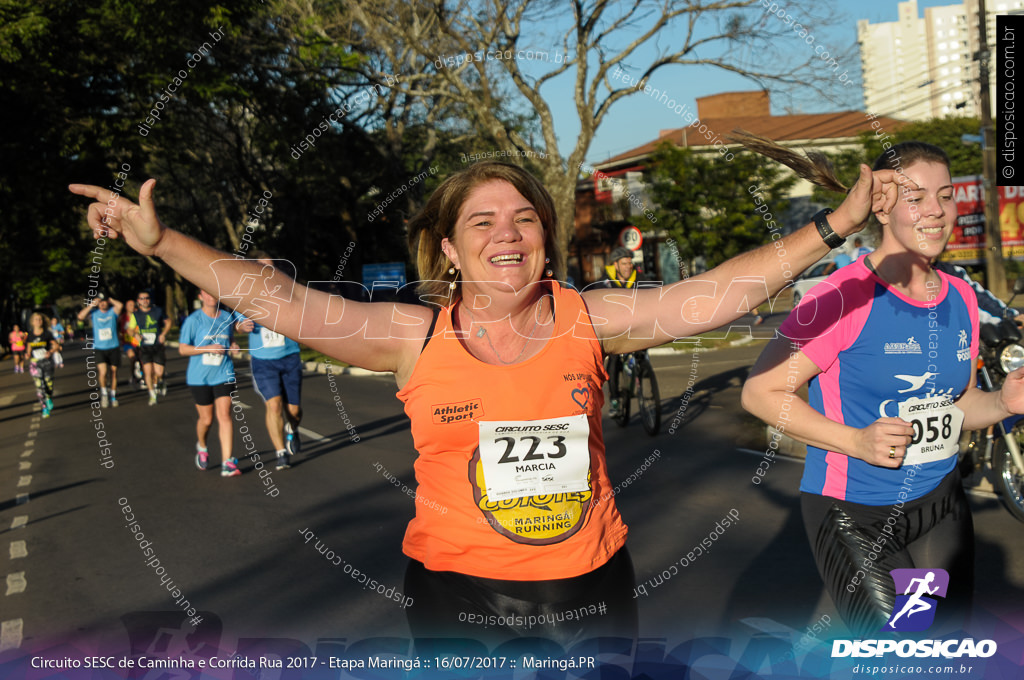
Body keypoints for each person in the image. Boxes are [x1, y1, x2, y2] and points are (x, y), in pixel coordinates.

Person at [71, 159, 900, 643]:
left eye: (524, 218)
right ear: (450, 250)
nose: (508, 233)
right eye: (482, 223)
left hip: (591, 593)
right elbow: (276, 299)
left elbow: (718, 293)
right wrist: (165, 243)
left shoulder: (591, 319)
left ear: (545, 235)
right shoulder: (411, 334)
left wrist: (836, 226)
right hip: (458, 600)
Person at [740, 139, 1024, 637]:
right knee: (898, 651)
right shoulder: (840, 297)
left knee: (942, 647)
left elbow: (956, 404)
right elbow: (760, 394)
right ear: (883, 207)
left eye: (946, 193)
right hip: (856, 514)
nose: (936, 211)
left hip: (940, 501)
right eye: (916, 197)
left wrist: (1001, 402)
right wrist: (854, 441)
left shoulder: (958, 296)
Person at [234, 252, 304, 471]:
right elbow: (238, 322)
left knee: (294, 411)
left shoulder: (286, 290)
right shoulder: (245, 295)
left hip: (290, 356)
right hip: (263, 361)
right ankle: (280, 452)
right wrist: (241, 326)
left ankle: (292, 429)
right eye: (263, 268)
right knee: (273, 405)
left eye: (271, 267)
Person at [180, 289, 242, 477]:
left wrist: (233, 345)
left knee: (225, 415)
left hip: (223, 372)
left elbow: (229, 339)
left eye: (213, 292)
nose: (211, 296)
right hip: (199, 377)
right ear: (200, 297)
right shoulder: (194, 320)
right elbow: (183, 349)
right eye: (206, 293)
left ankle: (227, 462)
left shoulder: (227, 317)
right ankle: (202, 446)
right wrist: (206, 348)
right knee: (206, 420)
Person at [600, 246, 643, 416]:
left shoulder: (639, 278)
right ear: (615, 265)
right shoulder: (604, 282)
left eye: (630, 263)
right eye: (624, 264)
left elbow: (652, 294)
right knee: (613, 364)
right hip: (614, 331)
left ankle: (640, 371)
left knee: (643, 355)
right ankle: (615, 400)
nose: (628, 267)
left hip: (636, 328)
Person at [78, 294, 124, 407]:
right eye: (100, 302)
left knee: (113, 372)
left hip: (113, 346)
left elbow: (120, 305)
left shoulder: (113, 311)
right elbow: (80, 316)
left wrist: (111, 299)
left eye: (104, 302)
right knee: (103, 373)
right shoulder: (94, 314)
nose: (103, 304)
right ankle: (104, 394)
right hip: (100, 348)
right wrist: (91, 305)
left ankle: (113, 396)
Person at [129, 290, 171, 405]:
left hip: (157, 346)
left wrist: (163, 334)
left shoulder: (158, 311)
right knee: (148, 372)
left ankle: (161, 381)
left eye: (146, 298)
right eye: (142, 299)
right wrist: (135, 334)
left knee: (159, 372)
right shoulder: (135, 315)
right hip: (144, 347)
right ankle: (152, 395)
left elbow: (168, 322)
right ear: (138, 301)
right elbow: (130, 329)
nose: (145, 300)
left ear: (150, 299)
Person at [25, 312, 58, 417]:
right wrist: (27, 354)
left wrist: (51, 352)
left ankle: (48, 398)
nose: (38, 321)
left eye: (40, 319)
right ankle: (44, 408)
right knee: (39, 387)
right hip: (35, 363)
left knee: (49, 384)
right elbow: (29, 347)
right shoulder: (29, 335)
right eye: (36, 319)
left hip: (47, 362)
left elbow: (56, 346)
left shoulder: (47, 334)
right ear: (32, 322)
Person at [120, 298, 142, 389]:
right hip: (128, 342)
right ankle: (133, 375)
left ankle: (141, 375)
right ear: (126, 307)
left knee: (141, 358)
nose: (132, 307)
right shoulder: (122, 317)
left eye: (133, 305)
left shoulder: (139, 315)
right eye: (130, 305)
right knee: (132, 357)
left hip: (138, 341)